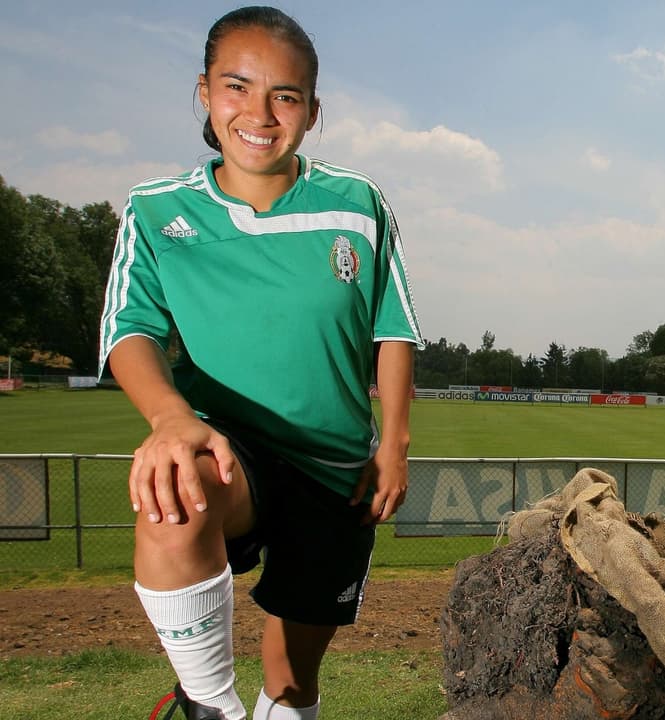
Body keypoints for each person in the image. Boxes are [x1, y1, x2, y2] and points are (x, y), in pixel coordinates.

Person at [97, 6, 423, 719]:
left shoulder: (357, 202)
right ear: (205, 92)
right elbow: (129, 329)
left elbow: (393, 329)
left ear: (312, 111)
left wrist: (394, 445)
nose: (260, 114)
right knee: (175, 485)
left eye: (286, 96)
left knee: (292, 679)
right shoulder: (155, 210)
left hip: (336, 470)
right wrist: (170, 419)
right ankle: (210, 704)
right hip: (227, 445)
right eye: (237, 87)